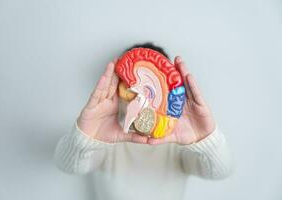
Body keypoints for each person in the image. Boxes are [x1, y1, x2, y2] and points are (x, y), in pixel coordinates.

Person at [54, 42, 233, 200]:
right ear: (119, 89)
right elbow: (67, 166)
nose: (141, 99)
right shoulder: (106, 138)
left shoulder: (179, 142)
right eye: (131, 88)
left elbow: (221, 172)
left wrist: (206, 140)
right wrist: (84, 139)